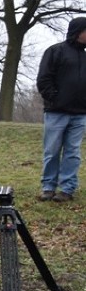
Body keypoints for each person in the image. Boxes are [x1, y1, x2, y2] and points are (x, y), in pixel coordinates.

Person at [36, 17, 86, 202]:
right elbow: (43, 79)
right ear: (78, 31)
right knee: (52, 150)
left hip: (80, 114)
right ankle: (48, 187)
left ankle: (67, 188)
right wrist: (54, 98)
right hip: (56, 112)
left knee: (73, 152)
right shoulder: (55, 51)